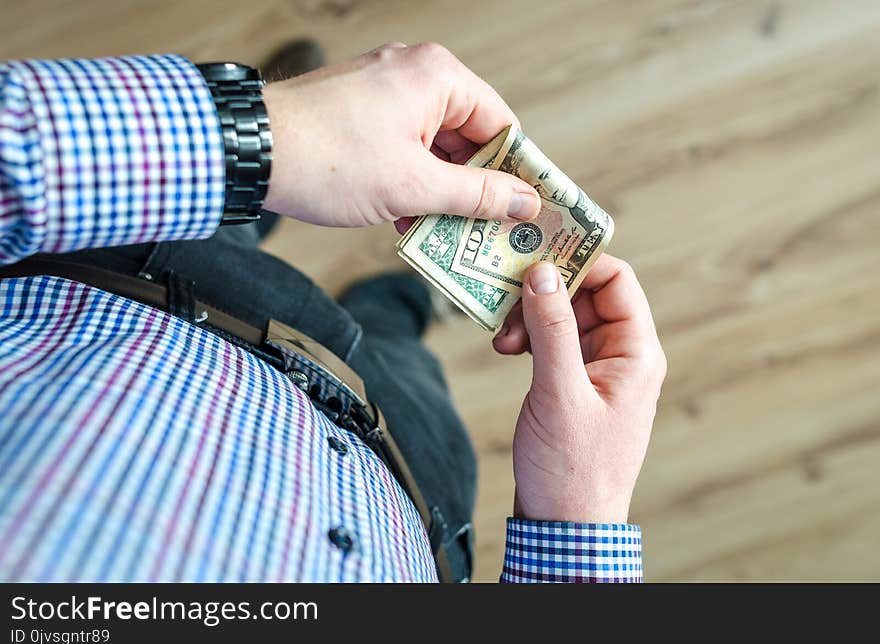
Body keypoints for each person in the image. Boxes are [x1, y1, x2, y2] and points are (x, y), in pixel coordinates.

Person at [0, 40, 666, 583]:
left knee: (231, 213)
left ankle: (258, 200)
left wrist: (257, 136)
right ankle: (398, 297)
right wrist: (581, 520)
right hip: (412, 479)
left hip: (141, 291)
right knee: (401, 346)